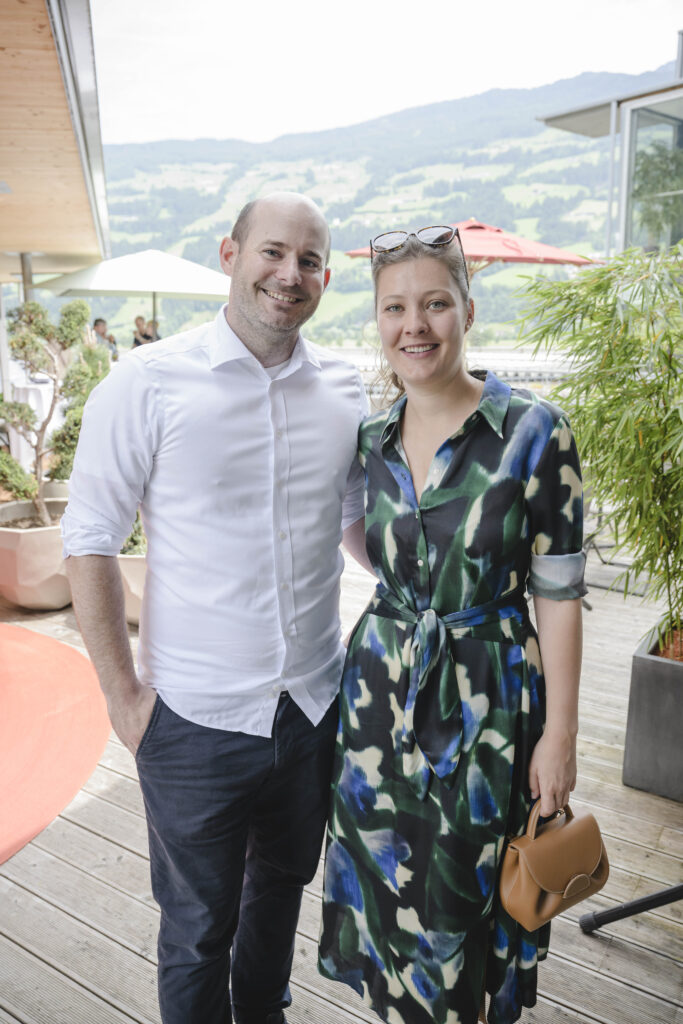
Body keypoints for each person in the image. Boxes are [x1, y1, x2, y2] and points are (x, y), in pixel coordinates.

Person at [62, 192, 372, 1024]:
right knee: (197, 932)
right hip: (191, 721)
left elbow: (356, 522)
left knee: (278, 905)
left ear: (325, 277)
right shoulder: (148, 381)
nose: (289, 273)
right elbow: (88, 538)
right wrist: (124, 700)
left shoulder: (344, 388)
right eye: (273, 251)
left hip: (311, 710)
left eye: (309, 260)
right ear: (230, 255)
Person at [318, 226, 586, 1024]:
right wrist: (421, 596)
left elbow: (561, 596)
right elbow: (364, 543)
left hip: (491, 709)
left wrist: (559, 736)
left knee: (468, 891)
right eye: (395, 307)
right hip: (377, 704)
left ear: (466, 309)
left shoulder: (534, 430)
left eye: (435, 303)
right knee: (386, 887)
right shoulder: (369, 439)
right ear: (377, 321)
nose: (416, 325)